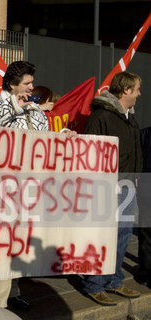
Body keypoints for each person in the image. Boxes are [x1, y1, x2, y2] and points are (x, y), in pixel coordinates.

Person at [0, 61, 75, 311]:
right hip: (0, 189)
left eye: (31, 83)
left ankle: (14, 291)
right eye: (27, 83)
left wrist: (62, 137)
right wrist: (15, 109)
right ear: (12, 84)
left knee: (19, 244)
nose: (32, 88)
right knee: (1, 245)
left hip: (29, 189)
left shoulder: (37, 111)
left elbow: (45, 142)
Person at [82, 71, 142, 306]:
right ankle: (94, 284)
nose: (139, 93)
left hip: (128, 186)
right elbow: (91, 154)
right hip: (108, 188)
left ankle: (114, 281)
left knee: (123, 236)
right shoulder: (101, 116)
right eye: (137, 89)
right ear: (126, 90)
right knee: (103, 237)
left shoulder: (129, 117)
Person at [136, 126, 151, 288]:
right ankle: (145, 270)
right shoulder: (144, 134)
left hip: (146, 189)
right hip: (146, 189)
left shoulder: (145, 134)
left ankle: (145, 271)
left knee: (146, 232)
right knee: (146, 231)